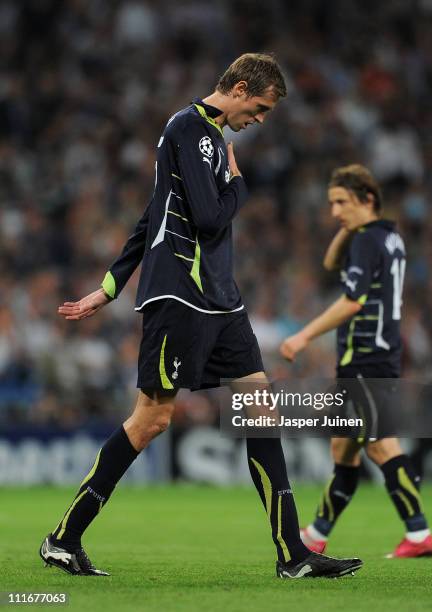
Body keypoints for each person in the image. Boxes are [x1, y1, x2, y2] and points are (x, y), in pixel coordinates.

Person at [39, 54, 362, 579]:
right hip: (181, 296)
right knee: (151, 421)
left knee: (262, 410)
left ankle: (293, 556)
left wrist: (108, 286)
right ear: (237, 88)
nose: (258, 120)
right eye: (258, 108)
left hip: (221, 298)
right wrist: (239, 186)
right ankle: (63, 539)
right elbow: (210, 218)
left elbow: (152, 215)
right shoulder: (190, 129)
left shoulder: (206, 136)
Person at [280, 164, 432, 559]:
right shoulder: (388, 236)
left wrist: (303, 335)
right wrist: (351, 226)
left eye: (341, 203)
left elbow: (352, 301)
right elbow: (331, 264)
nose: (334, 212)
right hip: (372, 358)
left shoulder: (368, 240)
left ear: (367, 200)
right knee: (343, 449)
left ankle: (418, 533)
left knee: (380, 446)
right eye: (332, 203)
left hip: (367, 357)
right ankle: (316, 533)